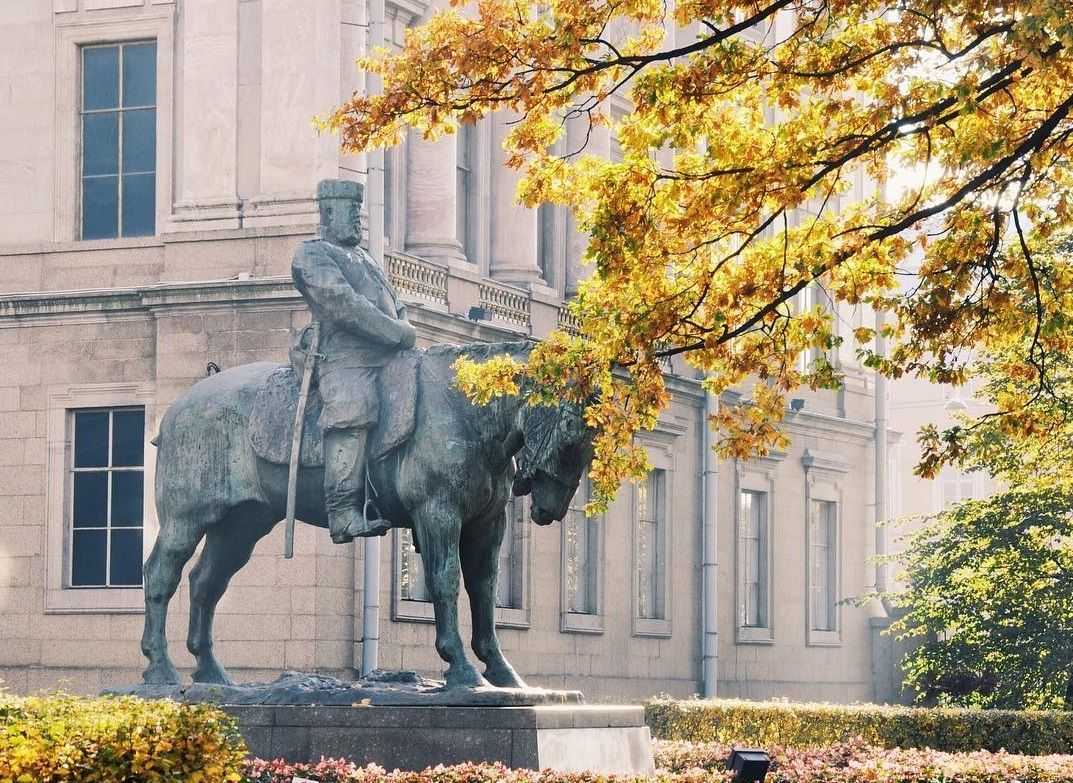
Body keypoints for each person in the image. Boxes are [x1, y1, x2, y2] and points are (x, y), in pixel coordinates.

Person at [292, 179, 416, 543]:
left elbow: (396, 303)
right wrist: (396, 333)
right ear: (328, 212)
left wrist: (404, 328)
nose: (358, 220)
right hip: (345, 356)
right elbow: (343, 304)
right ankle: (343, 510)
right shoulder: (312, 254)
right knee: (352, 405)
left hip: (391, 352)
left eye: (359, 212)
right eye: (351, 212)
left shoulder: (365, 258)